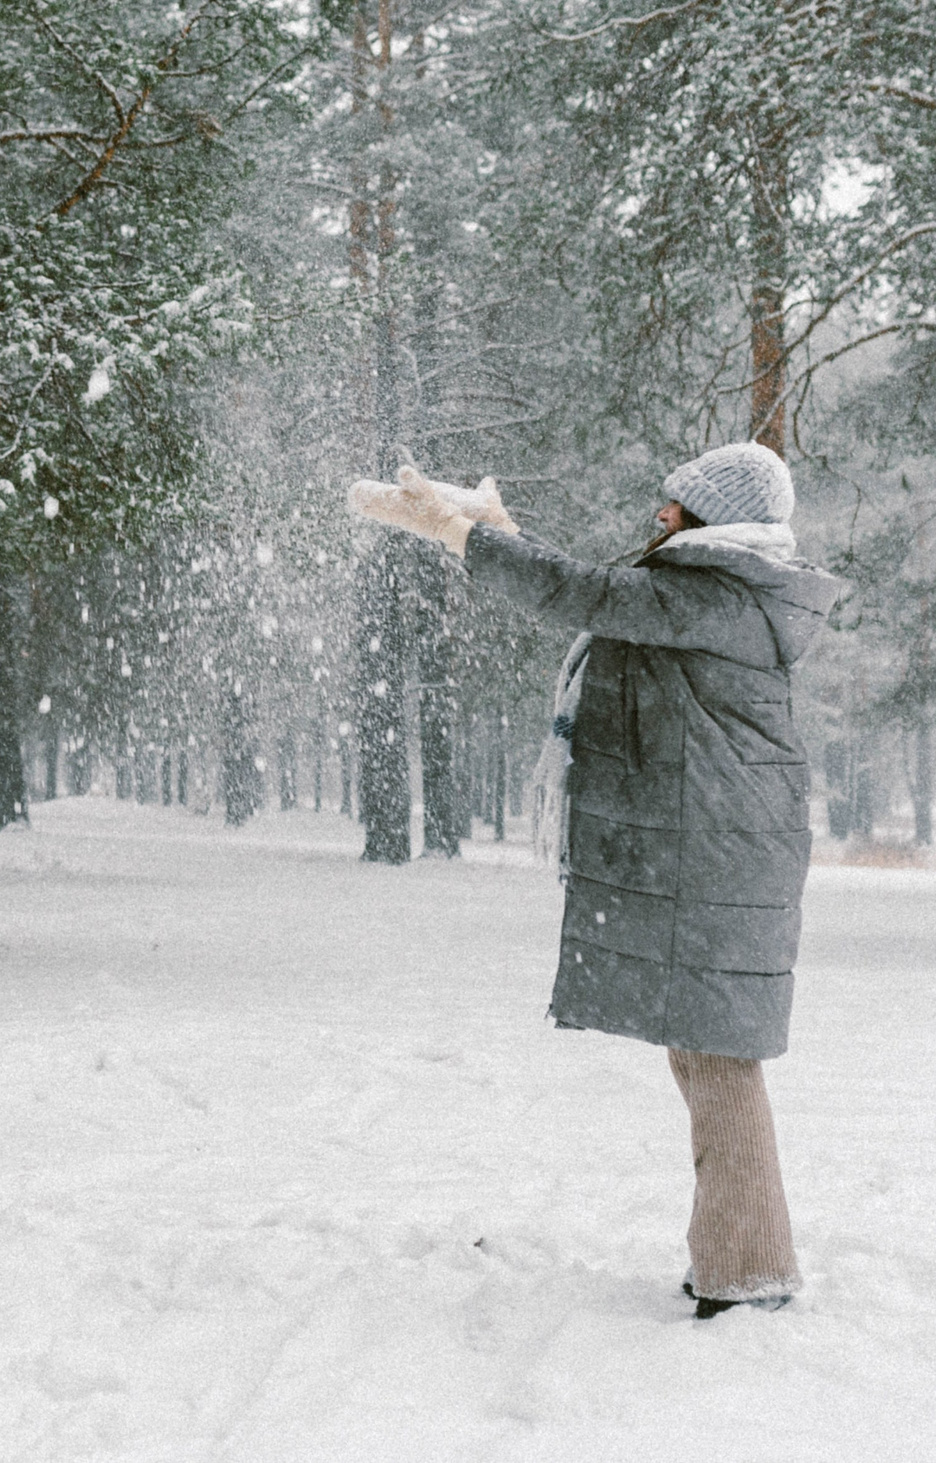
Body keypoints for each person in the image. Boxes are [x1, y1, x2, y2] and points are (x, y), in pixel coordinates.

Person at [350, 441, 844, 1318]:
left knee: (718, 1056)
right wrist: (498, 531)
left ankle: (750, 1270)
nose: (662, 515)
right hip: (726, 844)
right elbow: (601, 596)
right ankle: (739, 1256)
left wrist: (462, 534)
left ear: (718, 525)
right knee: (706, 1052)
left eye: (680, 508)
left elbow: (587, 594)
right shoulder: (718, 592)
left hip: (721, 850)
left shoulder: (714, 595)